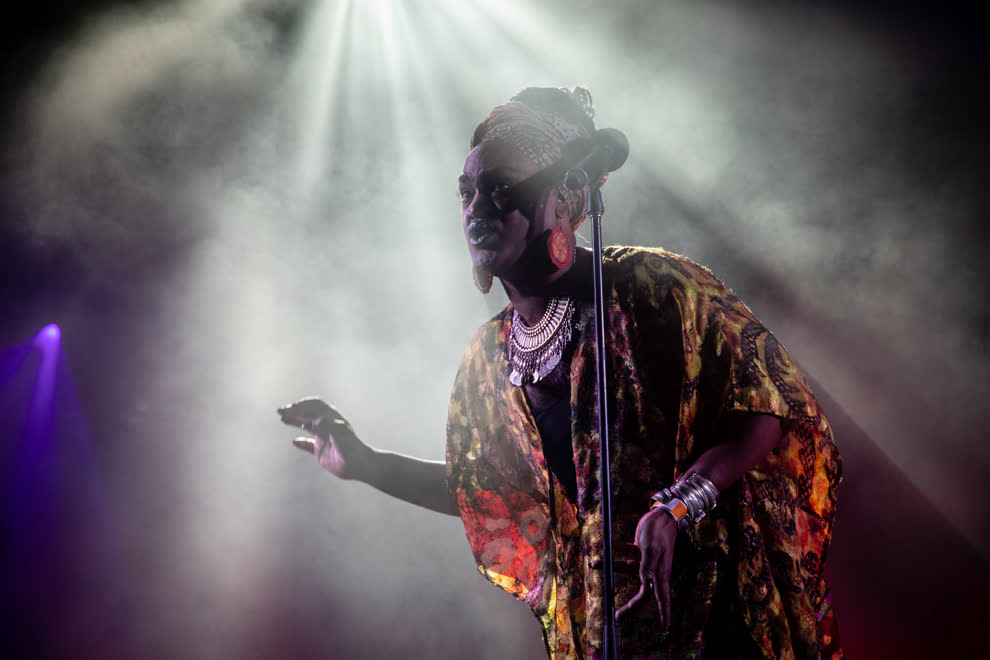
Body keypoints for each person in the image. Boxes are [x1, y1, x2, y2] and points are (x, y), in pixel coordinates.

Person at [278, 87, 842, 659]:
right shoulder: (489, 359)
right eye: (467, 193)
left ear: (565, 197)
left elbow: (767, 405)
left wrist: (678, 504)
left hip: (711, 608)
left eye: (502, 188)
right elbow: (491, 492)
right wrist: (367, 464)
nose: (477, 208)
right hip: (605, 626)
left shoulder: (656, 287)